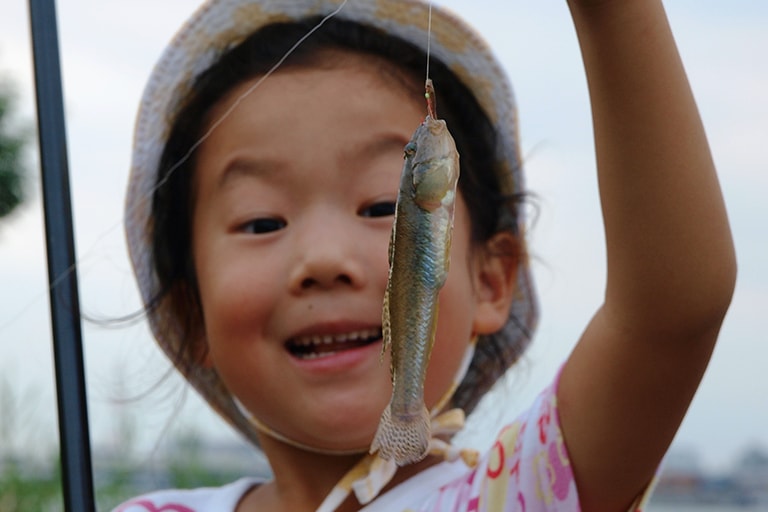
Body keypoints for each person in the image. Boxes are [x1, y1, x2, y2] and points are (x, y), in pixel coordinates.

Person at [115, 0, 736, 510]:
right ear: (190, 315)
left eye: (385, 206)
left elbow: (671, 313)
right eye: (262, 221)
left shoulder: (521, 491)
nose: (325, 258)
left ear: (492, 280)